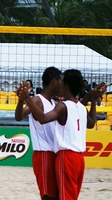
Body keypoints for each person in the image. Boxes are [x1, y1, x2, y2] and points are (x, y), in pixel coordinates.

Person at [18, 69, 107, 200]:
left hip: (66, 157)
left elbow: (43, 118)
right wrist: (92, 98)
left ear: (65, 86)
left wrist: (26, 98)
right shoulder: (79, 108)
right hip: (78, 159)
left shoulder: (61, 106)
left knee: (61, 196)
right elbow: (92, 122)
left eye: (62, 82)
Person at [15, 66, 62, 200]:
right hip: (43, 153)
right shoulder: (37, 99)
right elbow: (19, 117)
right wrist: (21, 100)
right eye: (60, 81)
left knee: (56, 194)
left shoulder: (54, 102)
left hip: (54, 152)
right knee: (47, 195)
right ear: (53, 81)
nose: (62, 85)